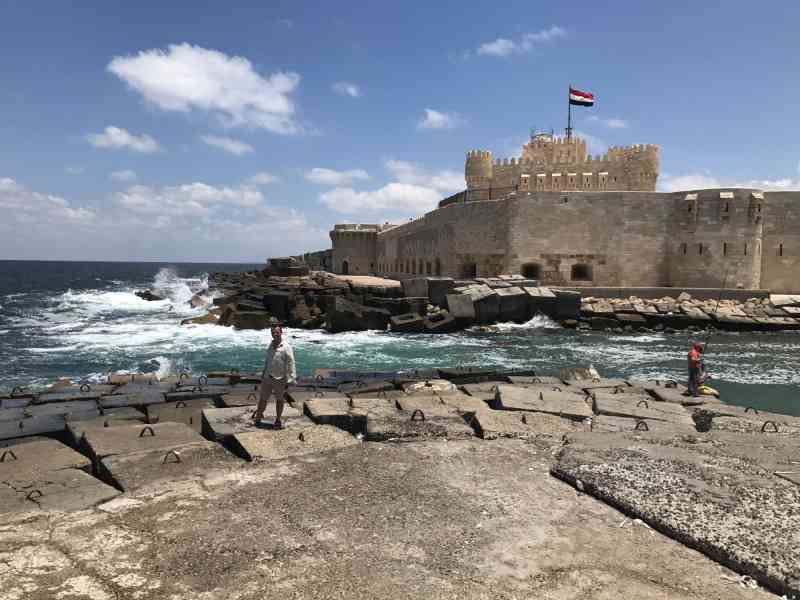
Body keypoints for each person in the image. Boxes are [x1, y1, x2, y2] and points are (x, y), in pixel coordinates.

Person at [253, 320, 296, 429]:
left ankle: (277, 420)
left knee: (279, 400)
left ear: (281, 333)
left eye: (277, 332)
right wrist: (263, 374)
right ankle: (258, 417)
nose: (275, 334)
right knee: (263, 398)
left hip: (280, 378)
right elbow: (267, 360)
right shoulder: (271, 345)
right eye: (273, 332)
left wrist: (291, 378)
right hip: (268, 377)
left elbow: (291, 362)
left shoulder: (286, 347)